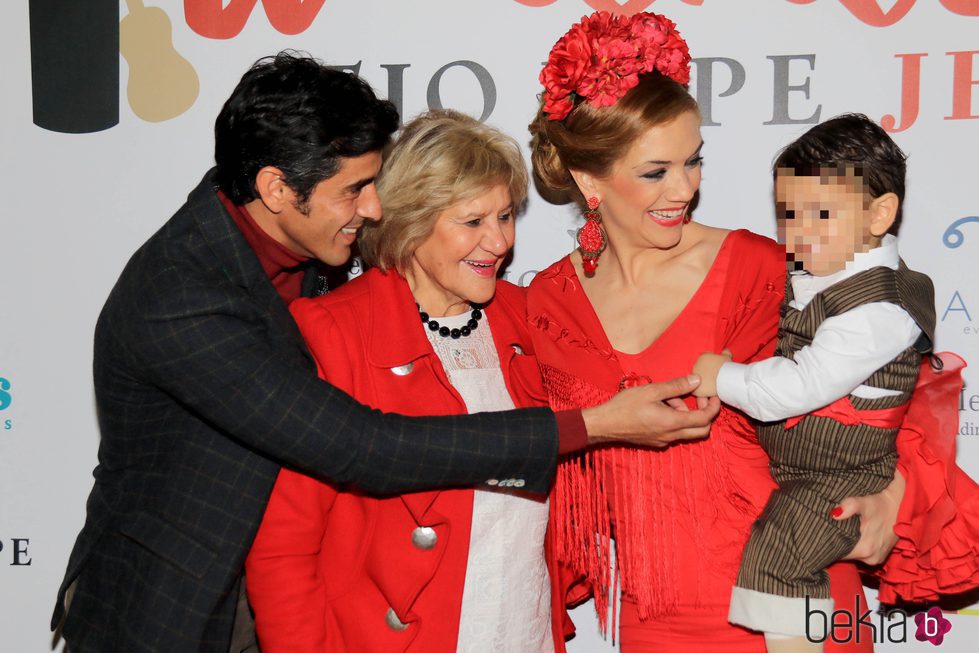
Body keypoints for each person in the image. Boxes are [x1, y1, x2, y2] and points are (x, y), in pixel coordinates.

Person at [52, 51, 722, 652]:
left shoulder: (304, 238)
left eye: (505, 215)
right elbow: (363, 447)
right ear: (277, 189)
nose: (372, 208)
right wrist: (592, 425)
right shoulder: (179, 296)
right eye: (352, 191)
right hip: (166, 609)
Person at [526, 11, 959, 652]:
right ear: (589, 180)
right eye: (656, 171)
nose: (686, 188)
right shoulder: (545, 303)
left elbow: (901, 390)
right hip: (654, 618)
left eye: (693, 161)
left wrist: (897, 492)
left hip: (793, 594)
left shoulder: (759, 266)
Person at [246, 109, 568, 652]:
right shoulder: (333, 331)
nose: (498, 243)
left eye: (506, 216)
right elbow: (283, 547)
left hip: (522, 631)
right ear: (412, 223)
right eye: (473, 222)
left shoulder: (527, 317)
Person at [692, 115, 977, 653]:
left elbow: (796, 387)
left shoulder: (878, 308)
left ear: (880, 214)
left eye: (821, 213)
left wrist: (721, 375)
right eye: (788, 213)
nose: (799, 231)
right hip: (807, 469)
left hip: (843, 476)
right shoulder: (824, 281)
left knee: (779, 552)